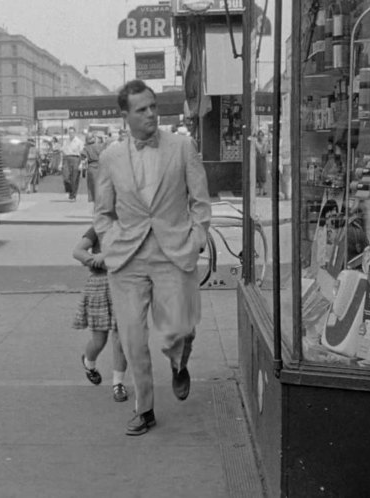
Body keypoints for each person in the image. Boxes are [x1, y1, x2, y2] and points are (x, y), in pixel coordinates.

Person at [94, 79, 211, 436]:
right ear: (125, 115)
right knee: (132, 338)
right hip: (127, 258)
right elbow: (102, 211)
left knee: (179, 328)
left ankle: (179, 362)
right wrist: (110, 240)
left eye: (153, 106)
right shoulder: (110, 156)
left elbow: (200, 201)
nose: (150, 114)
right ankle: (144, 409)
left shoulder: (182, 146)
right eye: (141, 109)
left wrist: (197, 238)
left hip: (173, 252)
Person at [72, 226, 129, 403]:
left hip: (122, 285)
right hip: (99, 286)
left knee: (121, 340)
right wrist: (93, 260)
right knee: (99, 340)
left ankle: (118, 383)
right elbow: (77, 251)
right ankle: (89, 362)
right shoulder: (98, 228)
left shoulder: (130, 226)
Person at [61, 127, 84, 201]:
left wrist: (81, 164)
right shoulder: (66, 141)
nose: (70, 134)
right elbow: (63, 152)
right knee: (66, 177)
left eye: (72, 132)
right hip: (67, 159)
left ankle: (73, 195)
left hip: (76, 159)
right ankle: (68, 190)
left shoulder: (79, 142)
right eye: (69, 132)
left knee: (74, 178)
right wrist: (61, 163)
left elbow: (82, 154)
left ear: (75, 133)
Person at [81, 133, 105, 203]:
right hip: (101, 167)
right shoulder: (100, 146)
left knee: (93, 187)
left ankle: (96, 202)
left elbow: (83, 158)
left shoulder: (86, 148)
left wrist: (83, 170)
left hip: (91, 168)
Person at [254, 128, 269, 196]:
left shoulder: (265, 143)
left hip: (262, 160)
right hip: (258, 160)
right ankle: (260, 191)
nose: (260, 136)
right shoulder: (256, 143)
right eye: (259, 135)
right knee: (258, 175)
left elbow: (264, 152)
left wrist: (262, 151)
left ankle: (264, 190)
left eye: (261, 135)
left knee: (263, 175)